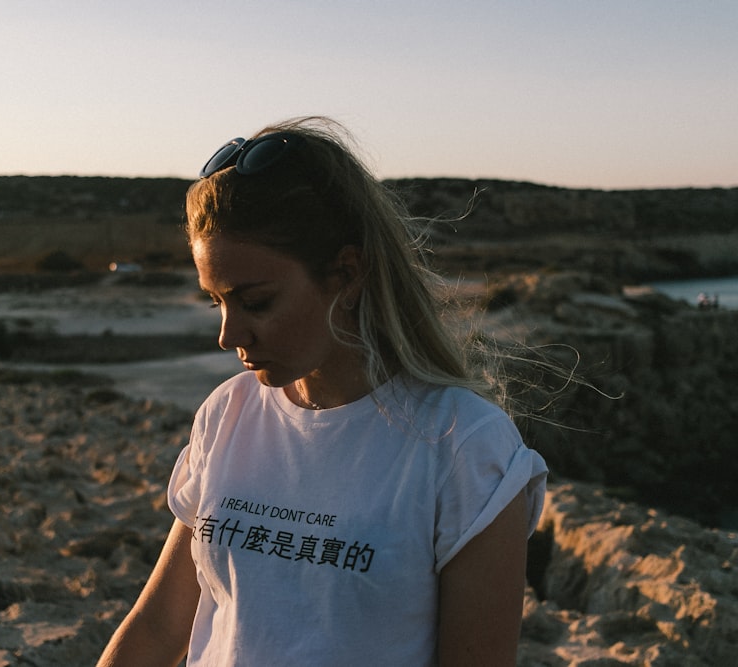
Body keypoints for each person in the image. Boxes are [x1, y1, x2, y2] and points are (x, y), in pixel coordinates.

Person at [96, 117, 548, 666]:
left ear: (347, 274)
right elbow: (158, 625)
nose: (227, 334)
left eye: (256, 301)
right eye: (216, 301)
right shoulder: (227, 414)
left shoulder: (465, 445)